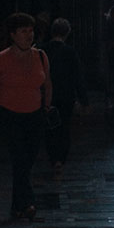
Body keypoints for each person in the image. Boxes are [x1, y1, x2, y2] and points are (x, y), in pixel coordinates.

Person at [0, 12, 53, 220]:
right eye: (24, 31)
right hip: (10, 116)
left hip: (34, 115)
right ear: (13, 34)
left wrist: (46, 106)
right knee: (19, 159)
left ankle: (17, 206)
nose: (29, 35)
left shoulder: (41, 56)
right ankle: (28, 203)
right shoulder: (1, 60)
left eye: (31, 31)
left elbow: (47, 84)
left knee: (28, 160)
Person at [44, 18, 82, 170]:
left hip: (47, 95)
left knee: (49, 128)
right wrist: (83, 99)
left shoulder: (43, 50)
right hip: (66, 95)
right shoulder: (70, 52)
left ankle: (52, 157)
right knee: (64, 127)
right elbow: (77, 76)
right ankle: (60, 158)